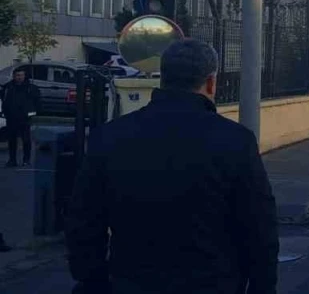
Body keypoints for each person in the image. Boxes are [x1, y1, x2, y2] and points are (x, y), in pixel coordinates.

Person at [65, 39, 279, 294]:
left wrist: (93, 280)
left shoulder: (110, 137)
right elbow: (259, 226)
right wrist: (262, 286)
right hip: (212, 283)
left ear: (163, 79)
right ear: (211, 82)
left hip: (131, 283)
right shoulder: (235, 141)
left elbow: (84, 220)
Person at [2, 68, 41, 167]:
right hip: (11, 117)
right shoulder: (8, 87)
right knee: (12, 140)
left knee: (26, 140)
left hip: (25, 118)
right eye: (17, 75)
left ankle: (26, 160)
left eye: (21, 75)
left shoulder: (31, 88)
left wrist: (32, 114)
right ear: (13, 76)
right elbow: (3, 100)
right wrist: (6, 113)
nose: (19, 77)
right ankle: (12, 160)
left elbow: (37, 102)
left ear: (24, 76)